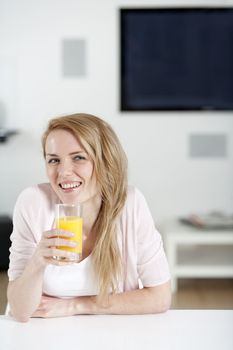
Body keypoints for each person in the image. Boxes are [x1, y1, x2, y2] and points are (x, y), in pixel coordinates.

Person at [7, 113, 171, 322]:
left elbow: (160, 297)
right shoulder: (33, 202)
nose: (64, 172)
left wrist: (75, 306)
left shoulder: (130, 204)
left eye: (78, 157)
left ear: (105, 161)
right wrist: (37, 262)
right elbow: (20, 311)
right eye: (54, 160)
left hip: (112, 333)